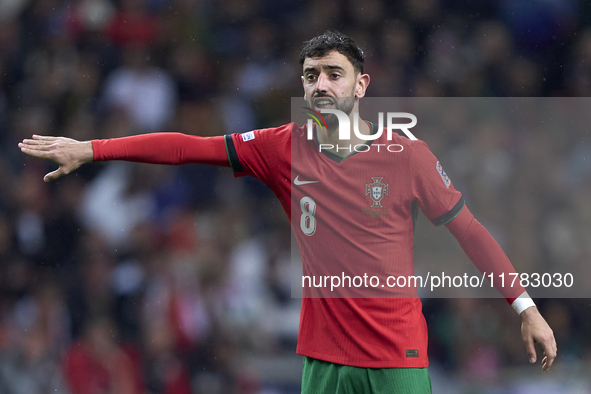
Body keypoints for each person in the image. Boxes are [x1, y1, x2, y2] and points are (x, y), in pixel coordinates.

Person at [19, 30, 556, 393]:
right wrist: (92, 149)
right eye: (310, 75)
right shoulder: (282, 146)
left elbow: (470, 233)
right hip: (323, 359)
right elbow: (188, 146)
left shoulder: (406, 155)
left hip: (399, 357)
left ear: (360, 85)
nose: (320, 84)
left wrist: (525, 308)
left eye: (333, 73)